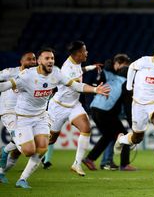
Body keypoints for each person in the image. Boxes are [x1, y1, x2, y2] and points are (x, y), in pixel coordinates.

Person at [0, 47, 110, 188]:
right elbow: (6, 86)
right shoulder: (27, 75)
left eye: (52, 58)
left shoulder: (56, 74)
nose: (50, 60)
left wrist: (95, 89)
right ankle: (6, 150)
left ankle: (22, 179)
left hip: (40, 117)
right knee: (28, 151)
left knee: (43, 148)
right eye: (47, 58)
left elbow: (76, 85)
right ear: (39, 61)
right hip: (24, 118)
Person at [115, 40, 154, 179]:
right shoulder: (144, 61)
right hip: (139, 104)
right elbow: (131, 67)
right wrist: (129, 87)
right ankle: (121, 139)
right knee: (137, 138)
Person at [42, 41, 102, 176]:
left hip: (74, 105)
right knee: (51, 139)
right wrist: (95, 89)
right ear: (78, 53)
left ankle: (77, 163)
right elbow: (77, 86)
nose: (87, 53)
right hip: (58, 107)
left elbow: (80, 71)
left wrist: (92, 67)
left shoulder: (75, 63)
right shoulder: (67, 69)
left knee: (86, 128)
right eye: (85, 51)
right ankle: (19, 148)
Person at [82, 54, 136, 171]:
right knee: (125, 135)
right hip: (106, 111)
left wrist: (109, 64)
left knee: (108, 136)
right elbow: (127, 108)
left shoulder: (110, 75)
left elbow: (105, 68)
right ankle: (124, 164)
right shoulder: (126, 84)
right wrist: (133, 124)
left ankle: (90, 159)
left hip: (95, 108)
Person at [0, 52, 37, 183]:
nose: (33, 61)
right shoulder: (11, 72)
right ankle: (5, 150)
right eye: (29, 59)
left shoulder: (35, 76)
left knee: (19, 149)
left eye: (34, 59)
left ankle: (1, 172)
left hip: (24, 113)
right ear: (21, 61)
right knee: (21, 142)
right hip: (8, 111)